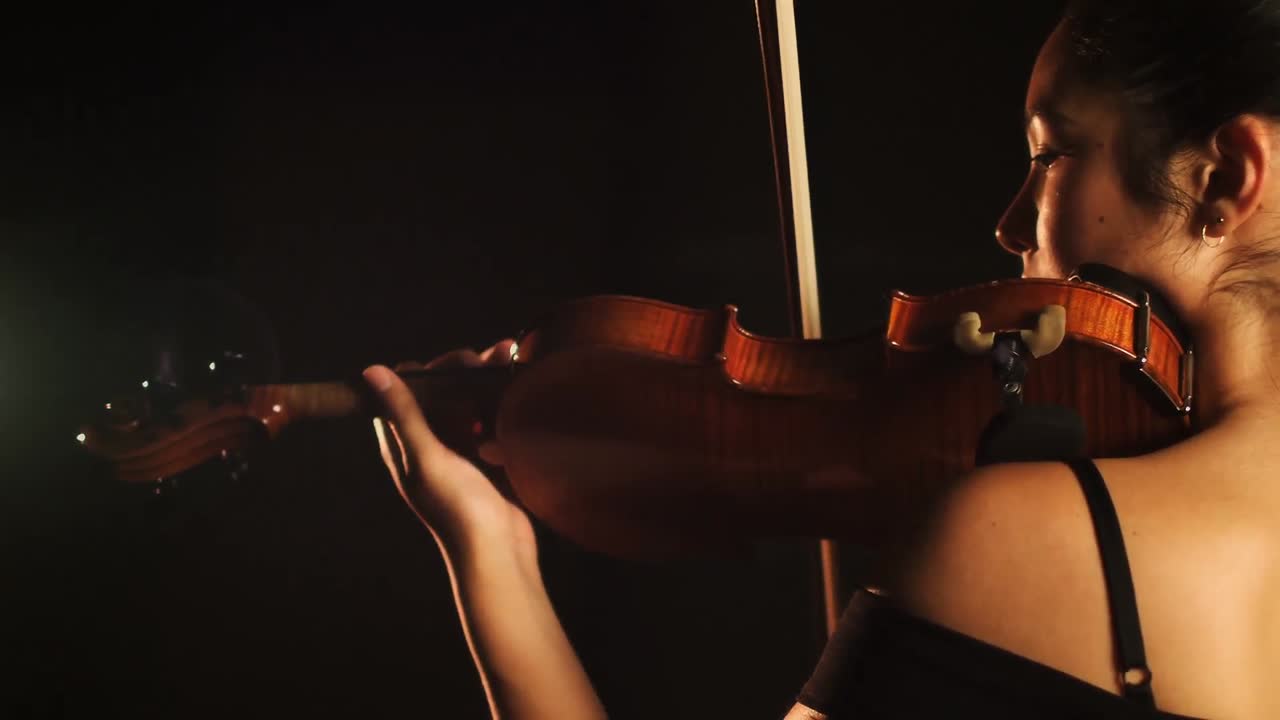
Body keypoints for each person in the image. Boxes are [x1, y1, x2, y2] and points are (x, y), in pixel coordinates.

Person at [360, 1, 1280, 717]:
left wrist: (490, 555)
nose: (1010, 225)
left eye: (1051, 155)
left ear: (1226, 177)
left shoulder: (1032, 537)